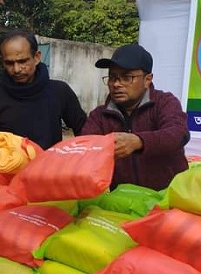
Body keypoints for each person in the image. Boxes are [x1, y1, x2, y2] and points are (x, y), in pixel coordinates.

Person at [81, 43, 189, 191]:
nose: (116, 84)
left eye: (127, 77)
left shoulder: (164, 103)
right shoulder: (99, 116)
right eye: (112, 77)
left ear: (147, 80)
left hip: (169, 198)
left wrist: (139, 142)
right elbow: (84, 148)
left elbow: (178, 134)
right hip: (124, 203)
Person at [0, 29, 86, 150]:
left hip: (50, 167)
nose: (16, 69)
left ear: (36, 57)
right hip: (5, 168)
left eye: (22, 61)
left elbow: (86, 132)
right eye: (9, 63)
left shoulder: (60, 91)